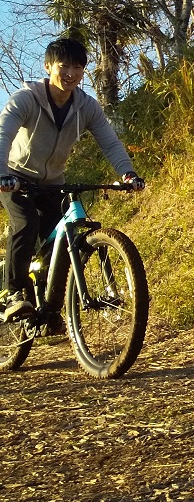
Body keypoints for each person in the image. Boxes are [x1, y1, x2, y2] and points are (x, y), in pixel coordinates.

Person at [0, 37, 145, 324]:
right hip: (15, 178)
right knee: (26, 223)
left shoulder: (86, 107)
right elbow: (3, 134)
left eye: (78, 67)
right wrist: (2, 173)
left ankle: (50, 310)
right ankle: (13, 294)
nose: (71, 74)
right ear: (48, 66)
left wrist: (127, 172)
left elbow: (110, 142)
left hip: (53, 182)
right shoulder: (26, 99)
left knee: (61, 242)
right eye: (63, 66)